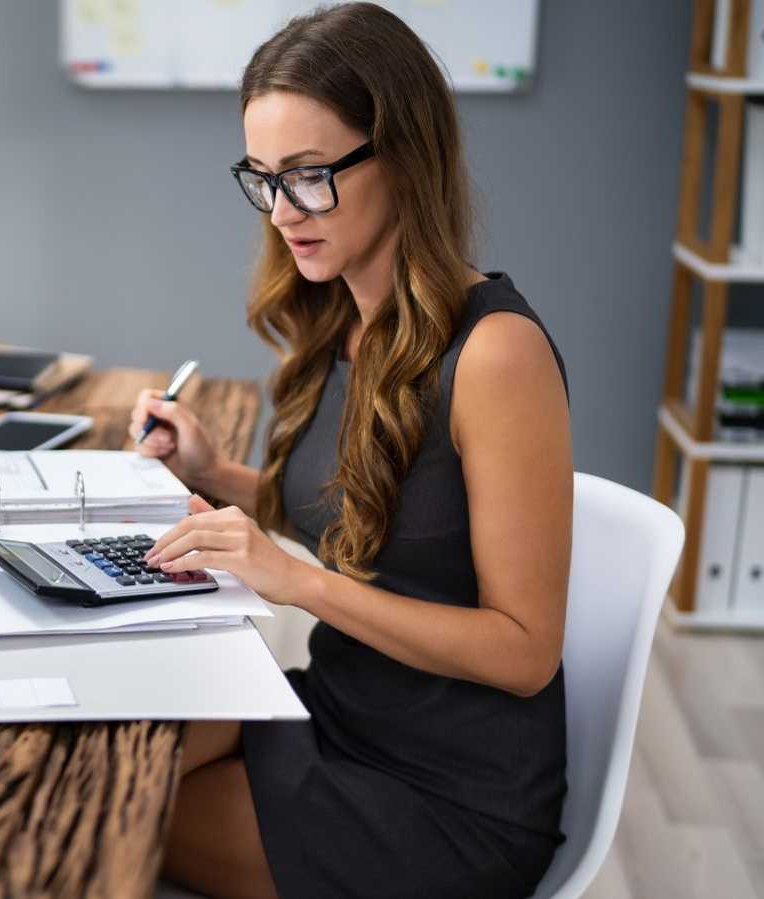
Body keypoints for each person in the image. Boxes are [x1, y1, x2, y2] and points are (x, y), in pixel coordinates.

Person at [132, 5, 572, 898]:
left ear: (404, 155)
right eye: (262, 179)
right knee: (109, 748)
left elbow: (525, 650)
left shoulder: (493, 354)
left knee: (107, 811)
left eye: (309, 176)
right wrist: (216, 475)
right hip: (339, 708)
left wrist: (297, 581)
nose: (284, 212)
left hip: (447, 796)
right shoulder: (345, 318)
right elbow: (374, 524)